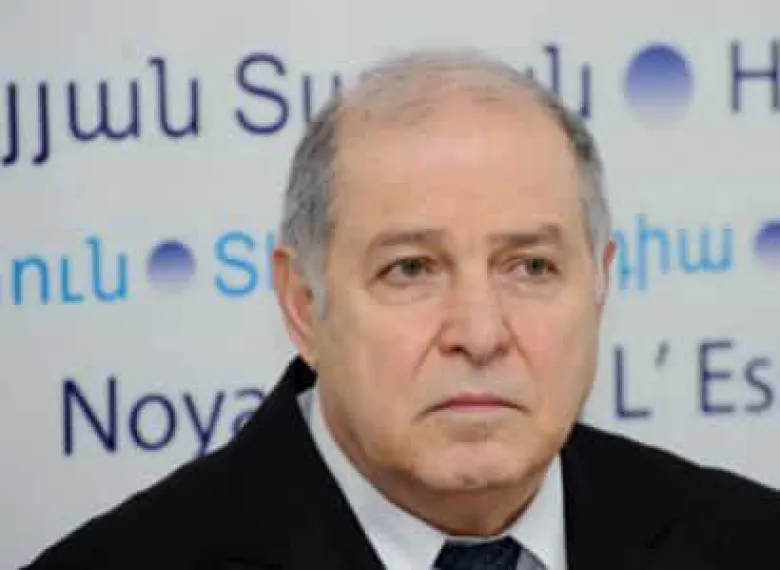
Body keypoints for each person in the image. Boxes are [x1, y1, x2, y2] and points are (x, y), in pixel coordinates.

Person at [24, 48, 780, 570]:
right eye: (411, 269)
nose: (480, 334)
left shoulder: (751, 542)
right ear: (303, 305)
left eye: (532, 266)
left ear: (600, 286)